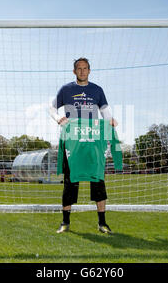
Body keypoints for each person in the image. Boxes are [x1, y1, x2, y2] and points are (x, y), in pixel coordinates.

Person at [49, 57, 118, 234]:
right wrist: (58, 118)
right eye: (79, 68)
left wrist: (110, 121)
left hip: (93, 139)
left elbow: (105, 111)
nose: (82, 71)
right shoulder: (66, 89)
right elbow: (51, 108)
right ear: (74, 71)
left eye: (85, 68)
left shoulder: (97, 90)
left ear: (89, 70)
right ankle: (65, 222)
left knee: (98, 180)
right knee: (70, 181)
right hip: (72, 139)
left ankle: (102, 223)